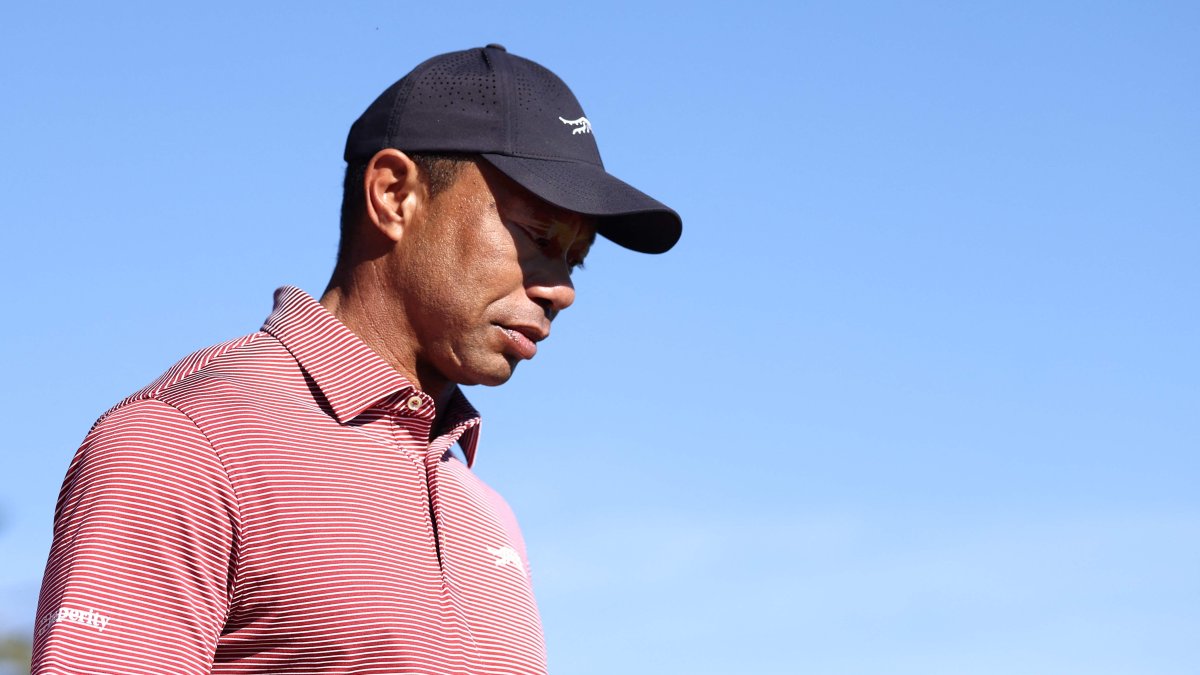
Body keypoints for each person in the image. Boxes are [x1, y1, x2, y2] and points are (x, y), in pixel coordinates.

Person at [31, 44, 680, 674]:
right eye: (539, 237)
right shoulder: (181, 442)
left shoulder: (490, 515)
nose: (562, 289)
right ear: (395, 195)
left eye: (577, 257)